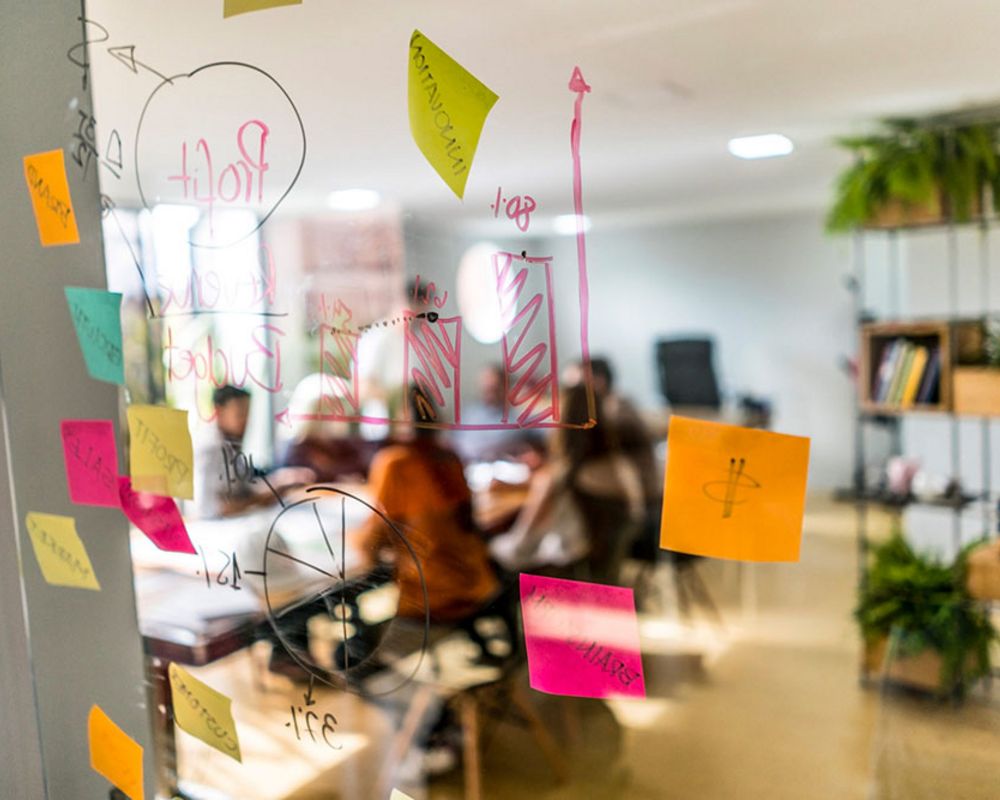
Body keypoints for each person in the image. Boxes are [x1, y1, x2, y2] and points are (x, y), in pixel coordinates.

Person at [357, 387, 514, 656]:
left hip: (434, 591)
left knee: (354, 637)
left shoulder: (395, 464)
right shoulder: (448, 456)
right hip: (477, 579)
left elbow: (373, 538)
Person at [491, 382, 644, 584]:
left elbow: (520, 548)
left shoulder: (558, 480)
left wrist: (490, 547)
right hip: (604, 577)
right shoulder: (623, 468)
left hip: (565, 579)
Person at [189, 385, 312, 519]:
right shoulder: (209, 448)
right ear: (219, 412)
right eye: (240, 414)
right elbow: (212, 508)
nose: (245, 421)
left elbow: (244, 490)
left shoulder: (231, 442)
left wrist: (280, 482)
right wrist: (259, 499)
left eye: (248, 414)